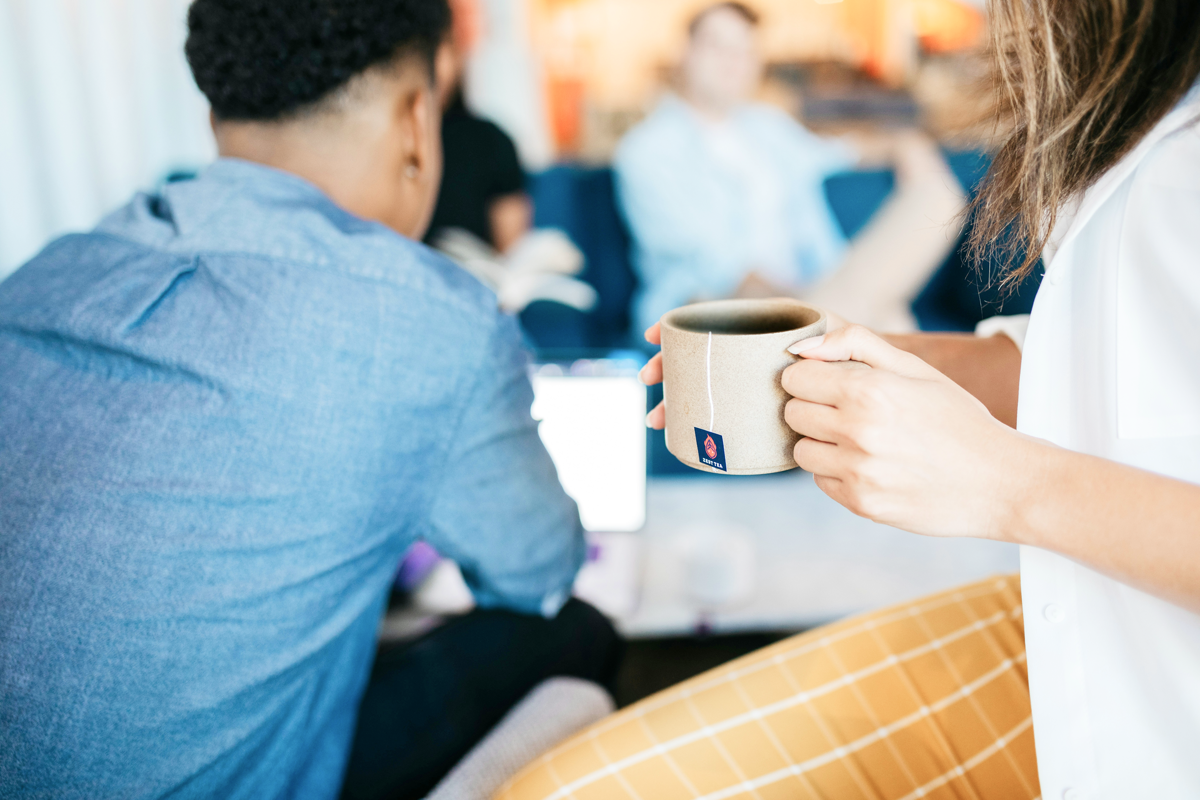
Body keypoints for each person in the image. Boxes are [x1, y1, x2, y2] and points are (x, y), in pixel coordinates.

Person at [496, 0, 1200, 798]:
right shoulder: (1143, 133)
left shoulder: (770, 136)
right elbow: (1102, 368)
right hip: (1083, 624)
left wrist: (1005, 483)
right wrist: (857, 354)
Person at [0, 2, 620, 799]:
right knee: (575, 633)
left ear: (216, 107)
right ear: (414, 121)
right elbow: (537, 569)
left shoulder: (43, 276)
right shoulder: (433, 315)